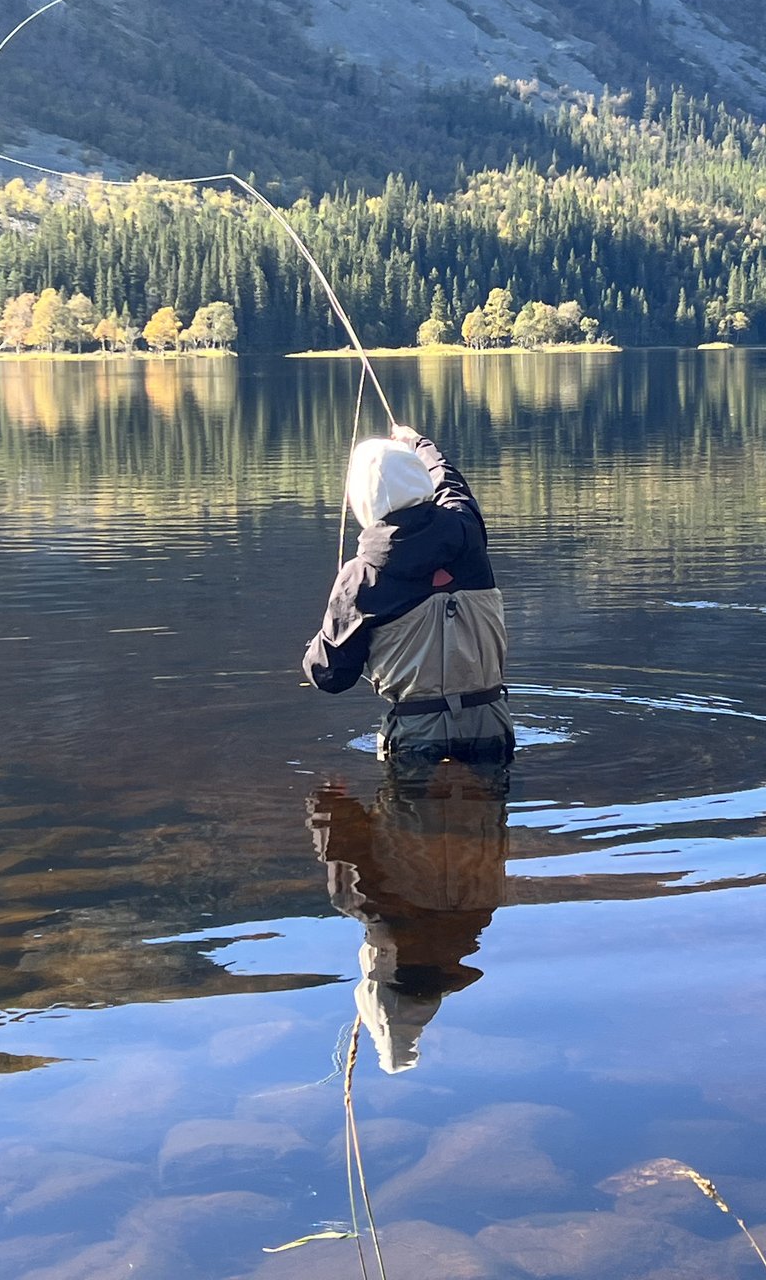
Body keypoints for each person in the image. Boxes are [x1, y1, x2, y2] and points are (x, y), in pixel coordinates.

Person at [303, 425, 512, 760]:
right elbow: (450, 483)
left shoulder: (360, 577)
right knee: (485, 813)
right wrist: (418, 444)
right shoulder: (468, 534)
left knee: (409, 812)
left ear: (361, 500)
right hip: (492, 726)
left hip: (415, 738)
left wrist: (320, 643)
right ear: (420, 481)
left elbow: (331, 676)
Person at [307, 755, 510, 1072]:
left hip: (486, 753)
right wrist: (327, 796)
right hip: (424, 752)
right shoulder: (362, 903)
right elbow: (336, 826)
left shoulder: (479, 916)